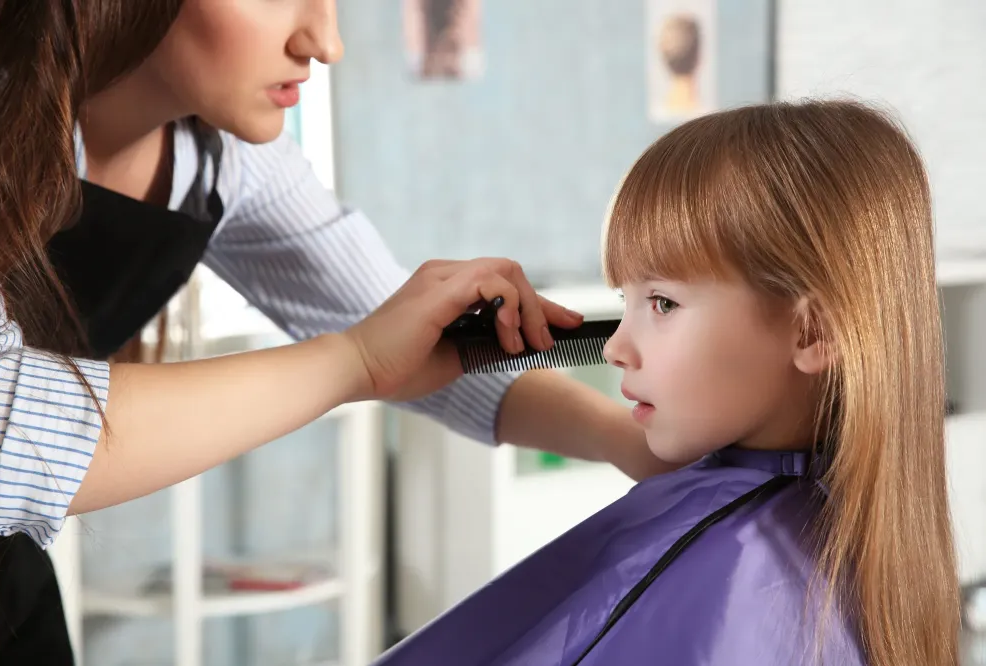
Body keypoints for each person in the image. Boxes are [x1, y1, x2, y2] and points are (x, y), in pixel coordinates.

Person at [0, 1, 667, 663]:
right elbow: (4, 426)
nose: (325, 42)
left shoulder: (226, 161)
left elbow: (414, 344)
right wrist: (356, 361)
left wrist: (625, 438)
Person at [372, 101, 961, 665]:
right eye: (624, 302)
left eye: (662, 302)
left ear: (811, 332)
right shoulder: (849, 547)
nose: (613, 347)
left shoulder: (743, 577)